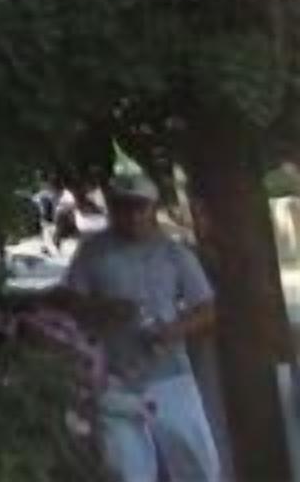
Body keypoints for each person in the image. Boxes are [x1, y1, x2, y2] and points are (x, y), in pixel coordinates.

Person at [59, 166, 221, 482]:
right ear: (112, 207)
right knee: (127, 471)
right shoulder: (92, 252)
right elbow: (69, 301)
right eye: (123, 206)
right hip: (113, 378)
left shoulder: (175, 253)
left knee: (197, 462)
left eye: (139, 207)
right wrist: (102, 308)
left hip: (170, 374)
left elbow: (206, 307)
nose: (132, 215)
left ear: (152, 208)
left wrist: (173, 330)